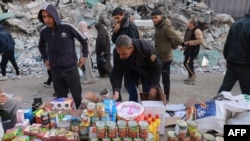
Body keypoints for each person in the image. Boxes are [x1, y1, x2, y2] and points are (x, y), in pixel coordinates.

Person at [37, 4, 88, 109]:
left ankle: (80, 120)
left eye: (49, 16)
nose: (47, 19)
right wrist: (45, 59)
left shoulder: (67, 27)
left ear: (55, 15)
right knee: (61, 101)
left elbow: (83, 40)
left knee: (78, 98)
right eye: (44, 17)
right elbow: (41, 46)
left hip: (71, 70)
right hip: (56, 72)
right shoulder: (44, 32)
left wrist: (84, 56)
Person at [110, 35, 164, 103]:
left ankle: (147, 107)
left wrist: (154, 86)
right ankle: (133, 108)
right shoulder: (118, 51)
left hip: (146, 71)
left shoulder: (146, 49)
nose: (120, 56)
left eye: (124, 54)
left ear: (131, 48)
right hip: (130, 71)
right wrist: (116, 90)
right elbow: (117, 70)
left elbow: (157, 67)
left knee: (148, 92)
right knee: (131, 90)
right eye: (119, 54)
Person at [111, 7, 142, 101]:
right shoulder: (119, 26)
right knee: (117, 78)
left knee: (130, 84)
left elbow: (133, 45)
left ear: (123, 15)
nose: (116, 20)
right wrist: (115, 32)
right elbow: (114, 41)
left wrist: (127, 57)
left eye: (118, 18)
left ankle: (133, 104)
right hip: (121, 59)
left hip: (130, 61)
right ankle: (119, 101)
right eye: (114, 18)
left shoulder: (130, 27)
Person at [151, 9, 183, 102]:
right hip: (159, 57)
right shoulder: (158, 26)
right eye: (152, 18)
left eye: (155, 17)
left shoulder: (166, 28)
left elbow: (179, 40)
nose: (154, 20)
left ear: (161, 17)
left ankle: (167, 97)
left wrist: (172, 46)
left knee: (165, 79)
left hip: (165, 58)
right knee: (156, 76)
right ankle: (160, 94)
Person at [217, 13, 250, 95]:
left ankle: (215, 104)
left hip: (232, 62)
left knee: (224, 90)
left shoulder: (235, 24)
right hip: (245, 66)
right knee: (247, 94)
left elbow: (227, 43)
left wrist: (227, 58)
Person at [181, 17, 203, 85]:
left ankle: (193, 76)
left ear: (192, 24)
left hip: (193, 50)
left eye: (188, 22)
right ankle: (190, 76)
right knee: (187, 63)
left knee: (187, 63)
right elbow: (186, 39)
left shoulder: (197, 30)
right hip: (188, 49)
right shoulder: (188, 29)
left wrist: (189, 43)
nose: (186, 23)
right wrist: (183, 46)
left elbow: (200, 41)